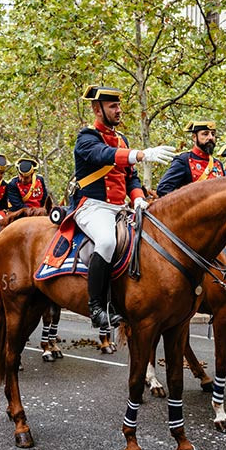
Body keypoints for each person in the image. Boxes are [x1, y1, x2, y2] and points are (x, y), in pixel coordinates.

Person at [72, 85, 175, 328]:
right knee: (107, 241)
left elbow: (131, 177)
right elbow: (103, 155)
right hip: (93, 207)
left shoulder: (121, 139)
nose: (119, 110)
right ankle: (97, 307)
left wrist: (138, 197)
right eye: (113, 106)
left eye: (119, 105)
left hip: (121, 208)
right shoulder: (86, 137)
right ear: (97, 109)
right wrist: (140, 154)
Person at [156, 121, 225, 196]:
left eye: (213, 134)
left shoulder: (217, 164)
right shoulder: (183, 160)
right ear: (194, 137)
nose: (210, 137)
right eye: (205, 134)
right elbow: (163, 188)